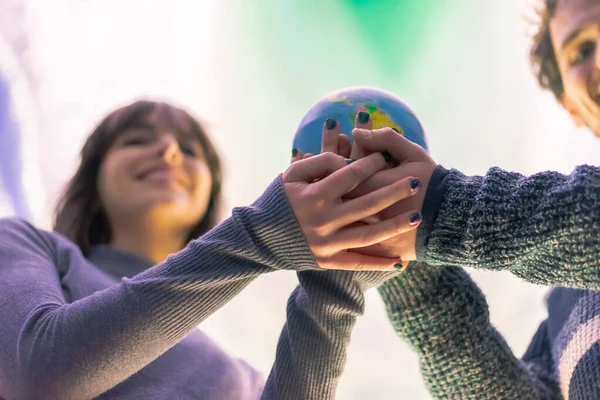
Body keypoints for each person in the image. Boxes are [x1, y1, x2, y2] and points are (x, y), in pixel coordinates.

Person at [0, 99, 424, 399]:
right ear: (93, 176)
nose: (168, 151)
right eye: (136, 140)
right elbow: (36, 376)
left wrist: (334, 285)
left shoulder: (243, 379)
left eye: (189, 150)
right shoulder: (29, 245)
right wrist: (260, 236)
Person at [338, 0, 600, 398]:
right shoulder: (566, 301)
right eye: (581, 50)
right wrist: (400, 244)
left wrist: (436, 211)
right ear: (572, 106)